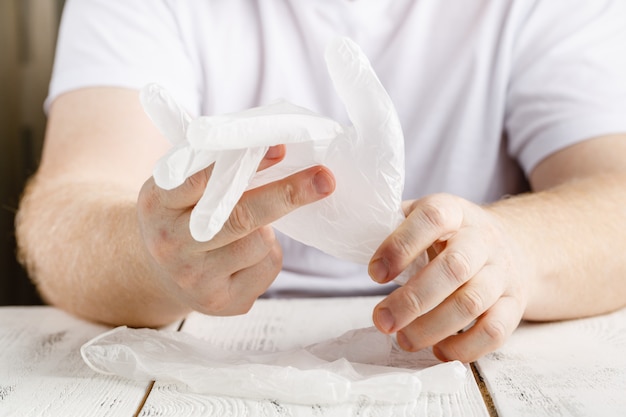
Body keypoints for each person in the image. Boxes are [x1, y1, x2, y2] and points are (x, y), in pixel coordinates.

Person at [15, 0, 626, 363]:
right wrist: (153, 251)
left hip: (459, 363)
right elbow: (65, 211)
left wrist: (510, 252)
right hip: (212, 356)